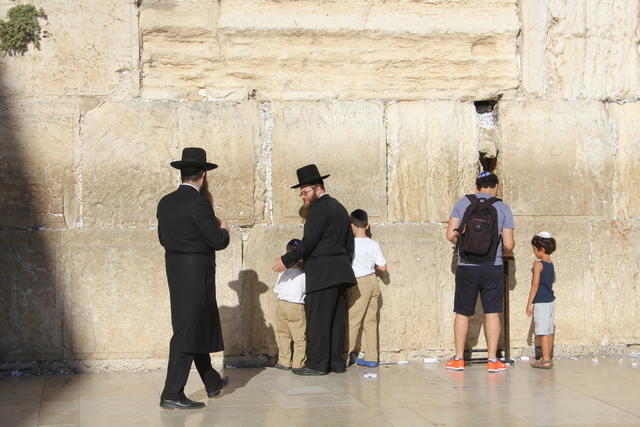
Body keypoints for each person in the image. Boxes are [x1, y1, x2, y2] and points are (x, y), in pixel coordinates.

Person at [157, 147, 230, 409]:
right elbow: (216, 241)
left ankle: (211, 381)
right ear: (203, 176)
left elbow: (163, 238)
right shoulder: (199, 203)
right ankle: (172, 393)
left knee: (193, 324)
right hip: (197, 271)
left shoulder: (165, 202)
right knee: (188, 330)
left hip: (175, 270)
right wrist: (223, 229)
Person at [272, 164, 356, 375]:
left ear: (318, 188)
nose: (303, 197)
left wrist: (288, 258)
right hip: (340, 272)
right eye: (300, 193)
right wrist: (341, 263)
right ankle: (336, 363)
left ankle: (317, 364)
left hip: (323, 273)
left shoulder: (318, 209)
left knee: (319, 320)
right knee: (336, 320)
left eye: (305, 192)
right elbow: (349, 245)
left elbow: (309, 241)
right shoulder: (339, 207)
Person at [445, 171, 515, 373]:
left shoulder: (463, 203)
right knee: (492, 312)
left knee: (462, 312)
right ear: (496, 187)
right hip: (492, 266)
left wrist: (468, 245)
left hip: (466, 266)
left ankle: (459, 358)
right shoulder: (502, 208)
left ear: (477, 187)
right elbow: (509, 244)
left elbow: (450, 234)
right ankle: (492, 360)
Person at [344, 209, 387, 368]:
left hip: (358, 282)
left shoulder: (350, 244)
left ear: (351, 226)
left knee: (353, 320)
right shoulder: (374, 244)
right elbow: (382, 267)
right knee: (371, 320)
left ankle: (344, 356)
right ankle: (371, 357)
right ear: (367, 225)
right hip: (372, 282)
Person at [273, 239, 307, 371]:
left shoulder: (283, 272)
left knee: (283, 334)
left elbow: (277, 290)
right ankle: (298, 363)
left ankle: (284, 361)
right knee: (299, 337)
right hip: (296, 306)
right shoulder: (304, 274)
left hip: (281, 304)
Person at [526, 232, 557, 369]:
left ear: (541, 249)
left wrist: (529, 303)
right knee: (549, 331)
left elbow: (535, 284)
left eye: (534, 249)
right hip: (551, 301)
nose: (534, 252)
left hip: (542, 302)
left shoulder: (538, 265)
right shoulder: (551, 264)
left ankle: (545, 360)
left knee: (543, 332)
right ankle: (548, 357)